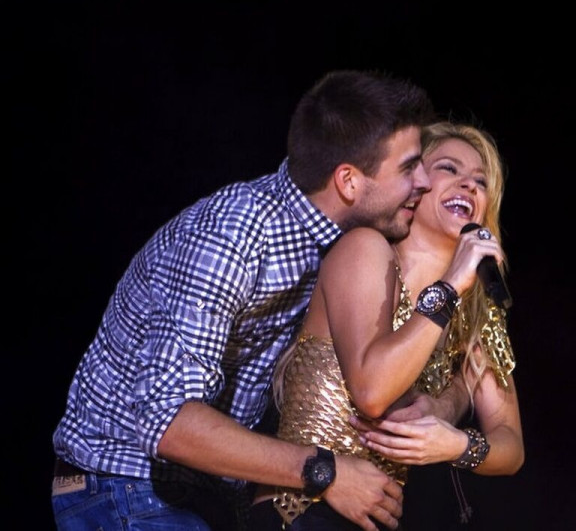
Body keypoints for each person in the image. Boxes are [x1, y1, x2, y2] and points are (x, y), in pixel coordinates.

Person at [50, 70, 472, 531]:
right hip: (124, 487)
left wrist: (448, 403)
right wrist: (326, 472)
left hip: (202, 495)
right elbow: (166, 422)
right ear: (349, 182)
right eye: (409, 167)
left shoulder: (338, 245)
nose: (425, 181)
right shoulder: (233, 235)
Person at [248, 121, 525, 530]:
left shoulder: (471, 315)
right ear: (414, 184)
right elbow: (372, 393)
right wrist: (449, 286)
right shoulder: (364, 248)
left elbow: (511, 445)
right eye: (449, 168)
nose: (469, 185)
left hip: (373, 517)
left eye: (480, 182)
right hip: (299, 508)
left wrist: (456, 444)